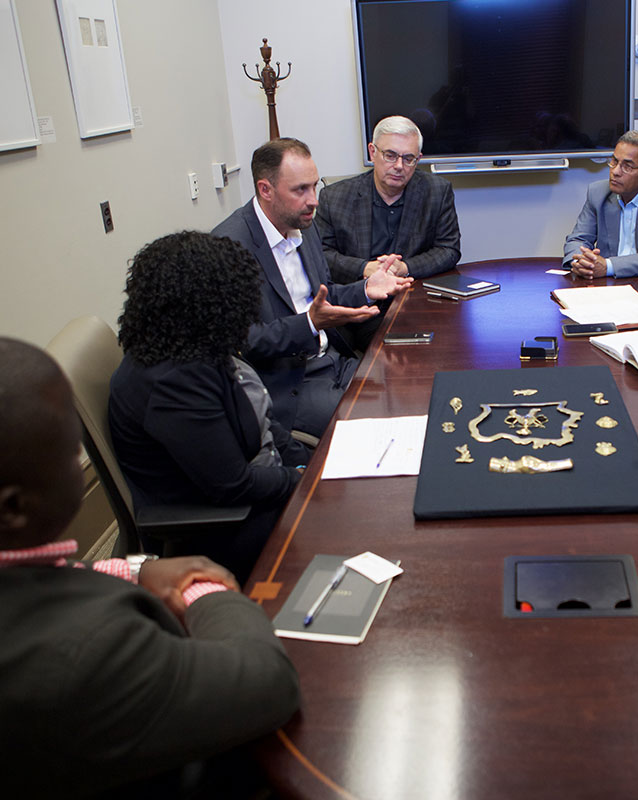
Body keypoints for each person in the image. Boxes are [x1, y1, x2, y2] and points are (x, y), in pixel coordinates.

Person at [0, 337, 300, 797]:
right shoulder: (88, 653)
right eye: (69, 449)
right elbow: (269, 682)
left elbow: (59, 575)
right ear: (15, 508)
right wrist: (206, 588)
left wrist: (137, 569)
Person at [110, 232, 312, 583]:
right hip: (220, 527)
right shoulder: (173, 383)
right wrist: (298, 479)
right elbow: (233, 485)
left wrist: (306, 461)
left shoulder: (191, 346)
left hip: (246, 489)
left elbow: (257, 419)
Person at [213, 137, 412, 438]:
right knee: (375, 429)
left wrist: (365, 288)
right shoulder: (230, 245)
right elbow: (246, 343)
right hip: (289, 382)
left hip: (332, 360)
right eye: (300, 190)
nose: (314, 200)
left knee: (408, 393)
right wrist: (309, 323)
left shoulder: (303, 224)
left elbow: (323, 295)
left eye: (314, 186)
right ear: (265, 190)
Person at [315, 115, 461, 282]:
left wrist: (405, 268)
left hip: (411, 292)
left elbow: (449, 250)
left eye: (408, 159)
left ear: (418, 159)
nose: (399, 166)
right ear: (372, 152)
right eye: (390, 155)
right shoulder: (334, 197)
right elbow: (320, 254)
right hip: (357, 296)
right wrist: (365, 268)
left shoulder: (437, 192)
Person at [562, 130, 638, 279]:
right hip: (604, 284)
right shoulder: (598, 193)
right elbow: (577, 239)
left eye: (627, 166)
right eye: (614, 161)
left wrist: (608, 266)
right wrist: (583, 262)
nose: (615, 171)